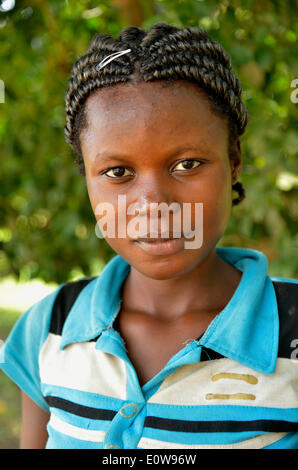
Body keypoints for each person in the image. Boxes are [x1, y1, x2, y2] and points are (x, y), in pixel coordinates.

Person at [1, 22, 297, 450]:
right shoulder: (49, 328)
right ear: (86, 178)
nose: (154, 203)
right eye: (118, 172)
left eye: (187, 164)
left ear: (234, 162)